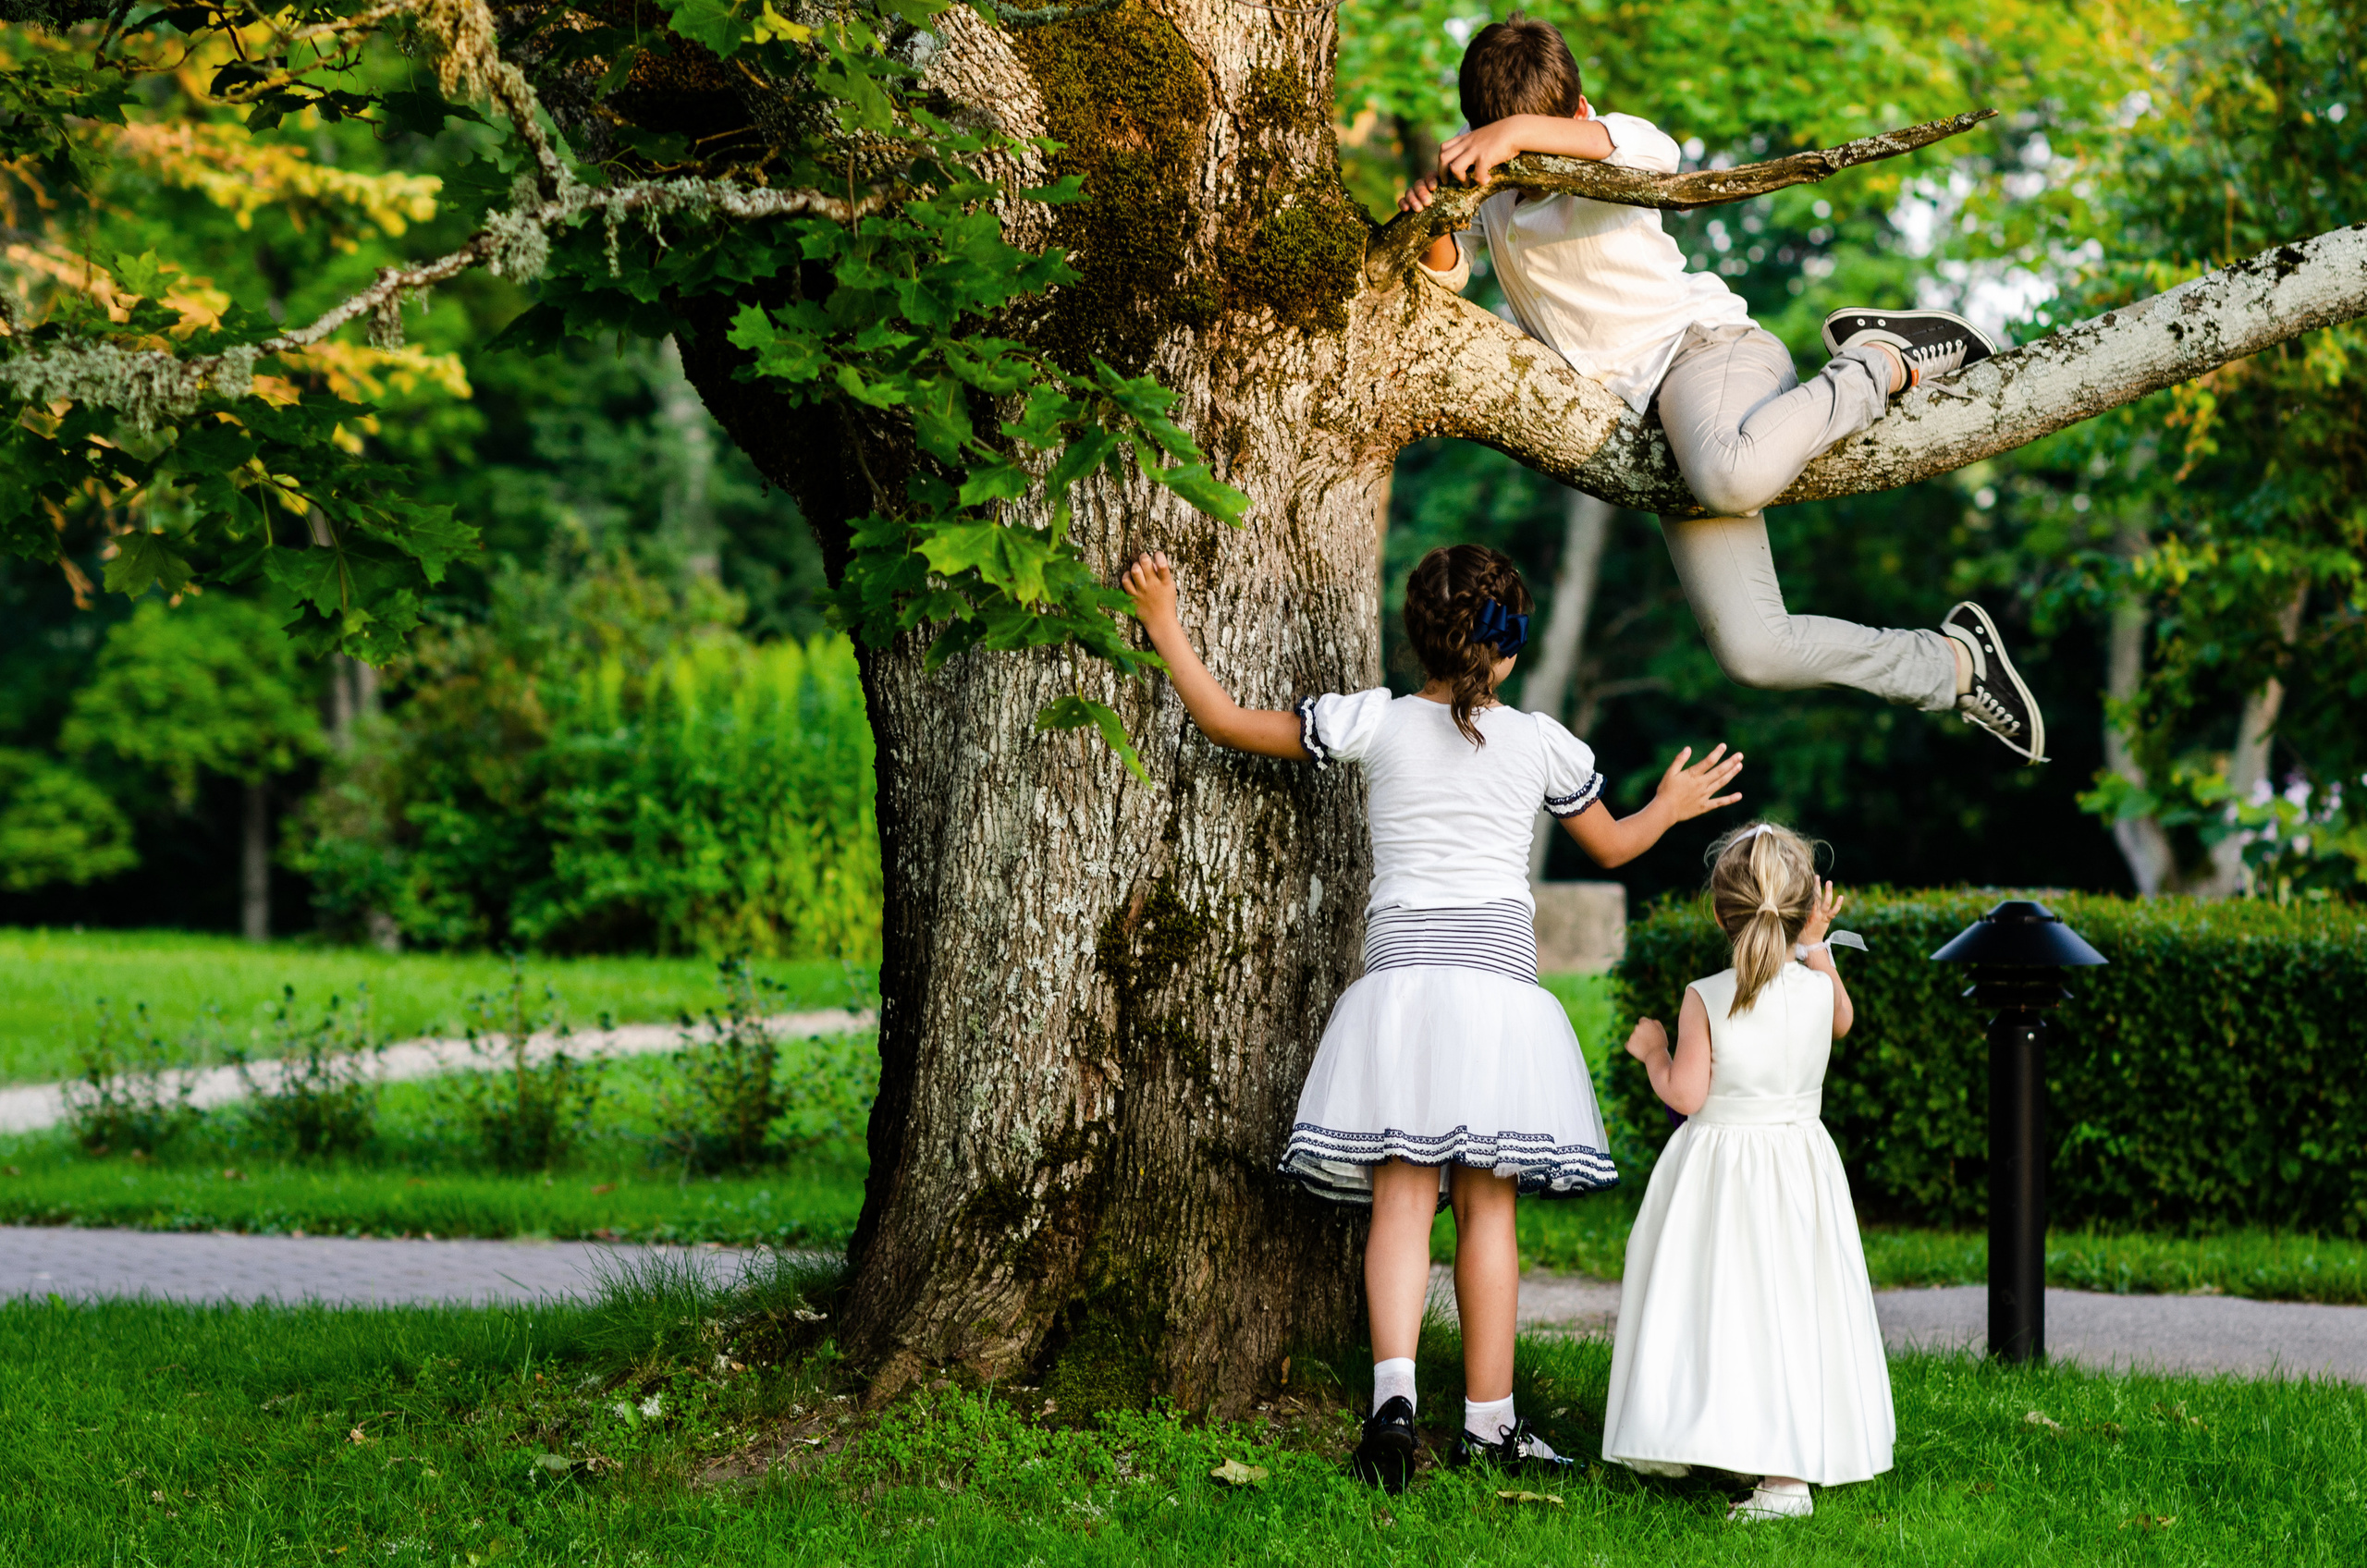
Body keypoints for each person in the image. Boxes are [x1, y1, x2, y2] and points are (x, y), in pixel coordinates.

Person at [1119, 542, 1746, 1493]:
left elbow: (1223, 721)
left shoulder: (1372, 722)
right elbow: (1614, 845)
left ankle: (1391, 1405)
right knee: (1487, 1206)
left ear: (1418, 636)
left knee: (1403, 1200)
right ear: (1508, 649)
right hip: (1497, 994)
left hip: (1402, 987)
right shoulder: (1539, 741)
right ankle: (1489, 1424)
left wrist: (1164, 620)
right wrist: (1669, 801)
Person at [1399, 13, 2047, 766]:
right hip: (1666, 430)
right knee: (1753, 649)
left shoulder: (1608, 153)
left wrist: (1517, 135)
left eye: (1528, 138)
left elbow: (1655, 149)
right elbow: (1446, 281)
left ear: (1574, 115)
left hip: (1710, 356)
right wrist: (1437, 219)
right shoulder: (1501, 203)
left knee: (1730, 475)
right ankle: (1954, 666)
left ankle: (1878, 360)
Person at [1601, 821, 1893, 1522]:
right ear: (1801, 910)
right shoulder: (1820, 990)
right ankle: (1777, 1457)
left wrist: (1652, 1052)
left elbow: (1687, 1096)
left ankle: (1763, 1469)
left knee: (1722, 1305)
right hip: (1800, 1165)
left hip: (1723, 1174)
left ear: (1717, 910)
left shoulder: (1706, 994)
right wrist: (1818, 948)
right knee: (1790, 1305)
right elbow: (1842, 1022)